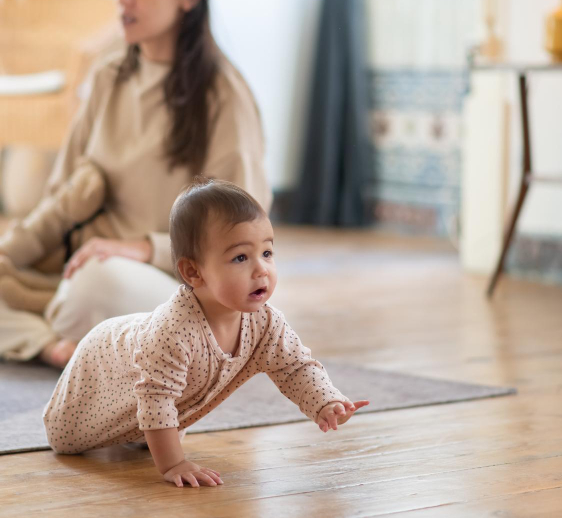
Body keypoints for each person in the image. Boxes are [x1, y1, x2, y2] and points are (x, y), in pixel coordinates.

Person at [0, 0, 271, 368]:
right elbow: (60, 203)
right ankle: (58, 348)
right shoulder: (108, 77)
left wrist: (141, 248)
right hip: (80, 267)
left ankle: (53, 328)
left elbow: (241, 242)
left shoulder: (224, 96)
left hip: (171, 288)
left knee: (96, 283)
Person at [43, 180, 369, 488]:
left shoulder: (266, 323)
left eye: (267, 253)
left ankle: (143, 435)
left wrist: (326, 401)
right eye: (241, 257)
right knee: (65, 439)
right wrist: (173, 465)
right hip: (102, 357)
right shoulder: (173, 333)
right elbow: (156, 398)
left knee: (152, 427)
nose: (261, 269)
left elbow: (295, 367)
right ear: (193, 272)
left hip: (153, 403)